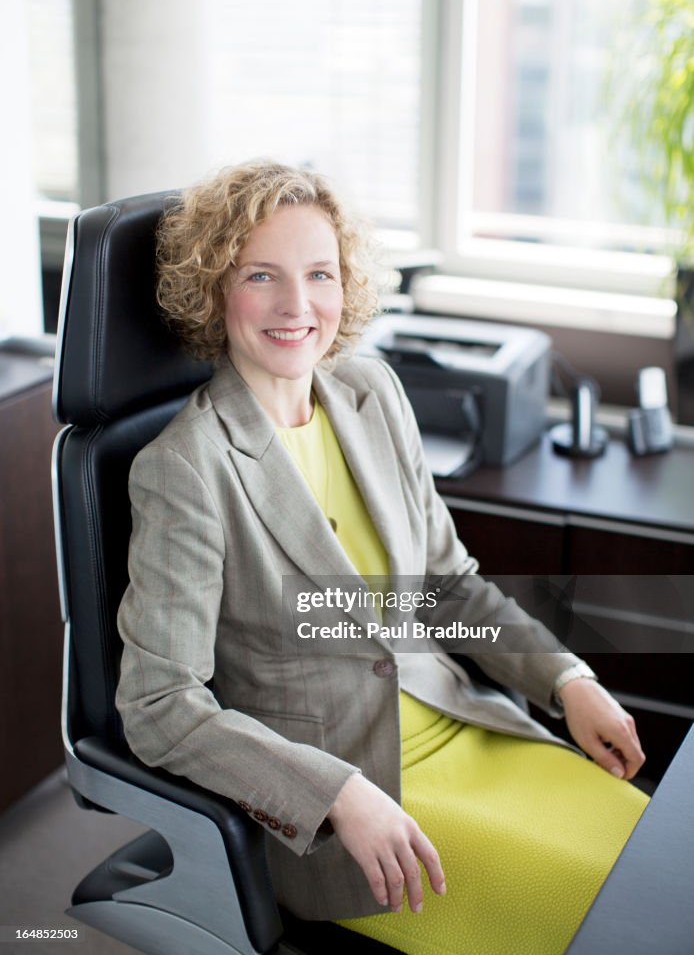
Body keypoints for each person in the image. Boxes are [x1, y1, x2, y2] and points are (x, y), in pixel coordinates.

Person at [115, 160, 648, 955]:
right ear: (214, 290)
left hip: (466, 726)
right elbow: (159, 704)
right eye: (262, 276)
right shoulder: (187, 466)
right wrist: (334, 795)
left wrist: (567, 679)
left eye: (319, 274)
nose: (299, 306)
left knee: (661, 864)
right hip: (352, 811)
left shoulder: (371, 391)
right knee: (622, 920)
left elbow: (445, 587)